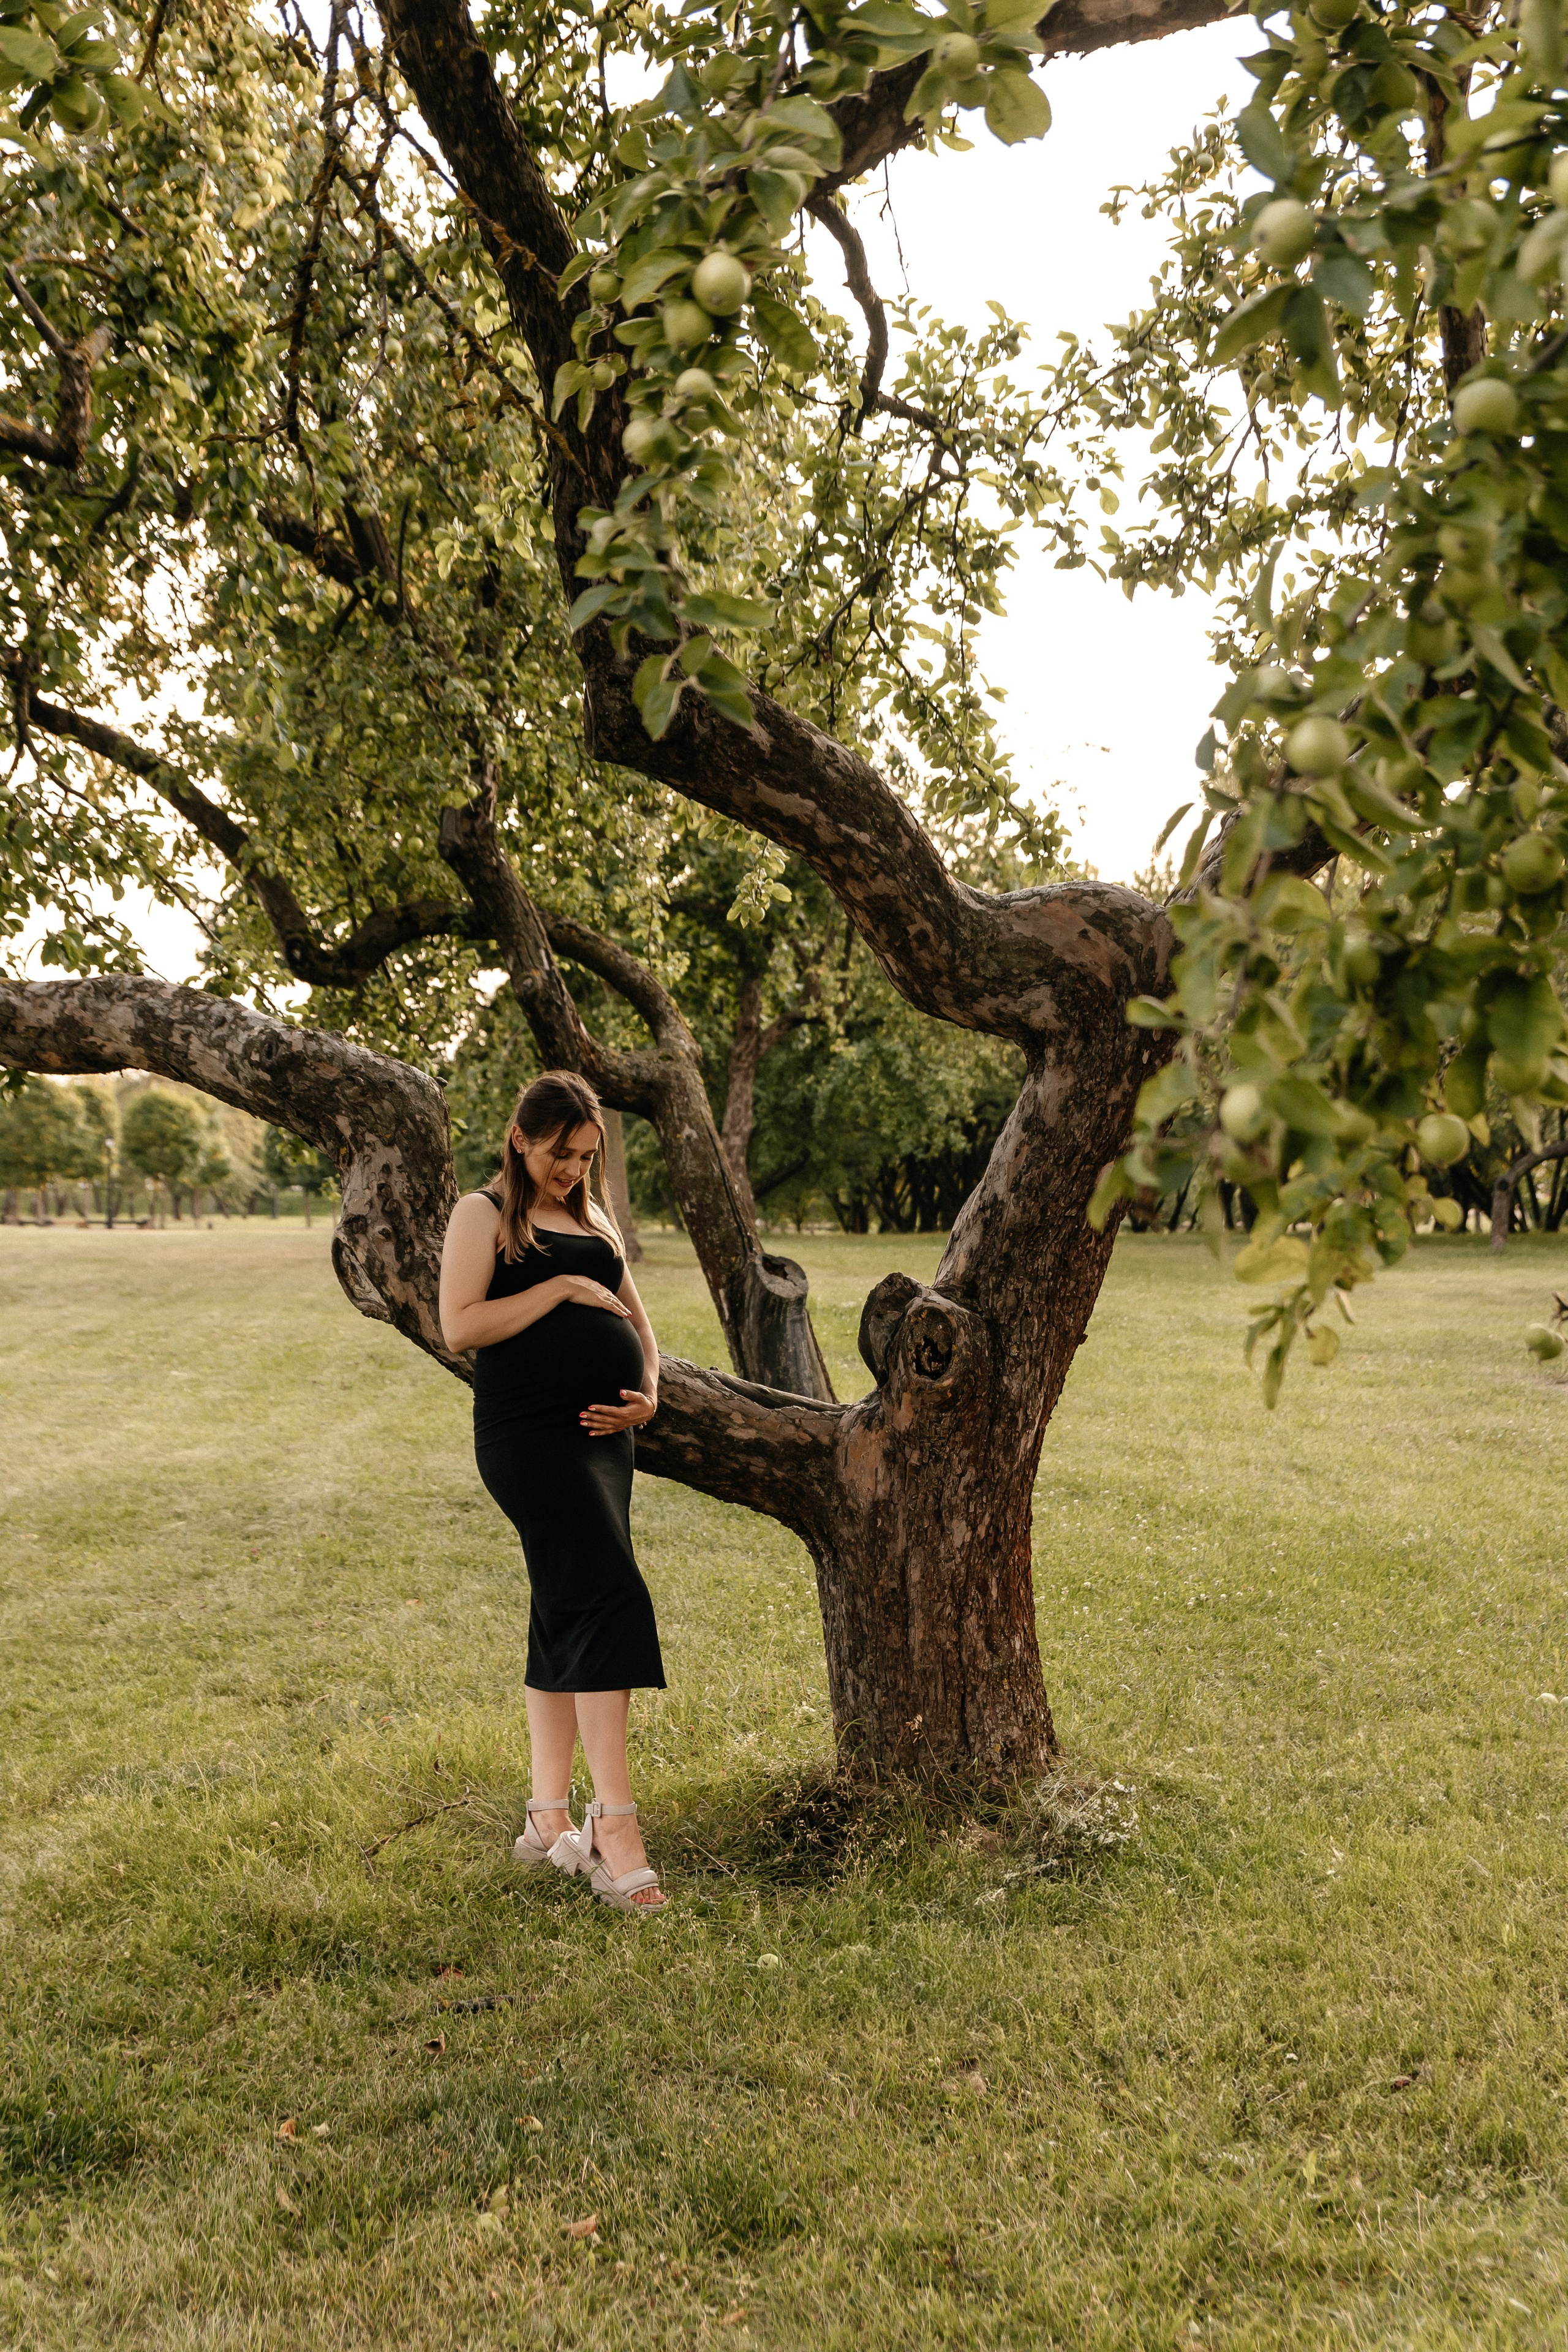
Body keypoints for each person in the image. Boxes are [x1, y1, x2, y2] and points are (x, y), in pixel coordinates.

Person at [439, 1069, 668, 1912]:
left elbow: (641, 1325)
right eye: (559, 1154)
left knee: (565, 1604)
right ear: (520, 1139)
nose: (571, 1169)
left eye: (584, 1155)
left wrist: (650, 1390)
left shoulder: (593, 1216)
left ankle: (545, 1820)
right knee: (606, 1596)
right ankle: (615, 1830)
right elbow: (460, 1324)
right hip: (529, 1437)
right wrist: (563, 1289)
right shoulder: (483, 1213)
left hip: (607, 1440)